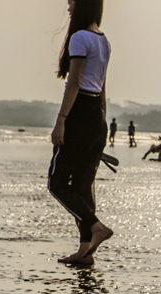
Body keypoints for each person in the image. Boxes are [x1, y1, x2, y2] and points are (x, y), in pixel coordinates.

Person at [48, 0, 113, 266]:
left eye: (71, 2)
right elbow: (103, 87)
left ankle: (96, 227)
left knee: (58, 183)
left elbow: (73, 83)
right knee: (83, 185)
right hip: (97, 115)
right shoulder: (103, 39)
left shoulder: (79, 37)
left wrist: (61, 120)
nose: (68, 8)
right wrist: (101, 126)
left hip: (80, 113)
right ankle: (86, 251)